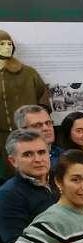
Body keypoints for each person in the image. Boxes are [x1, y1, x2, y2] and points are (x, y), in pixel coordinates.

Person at [0, 129, 83, 243]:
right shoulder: (8, 194)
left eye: (42, 152)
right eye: (28, 154)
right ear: (13, 161)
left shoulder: (60, 178)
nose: (38, 159)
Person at [0, 29, 48, 179]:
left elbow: (44, 96)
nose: (7, 47)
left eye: (9, 44)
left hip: (27, 133)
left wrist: (39, 121)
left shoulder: (28, 73)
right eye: (2, 44)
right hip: (1, 135)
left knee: (32, 169)